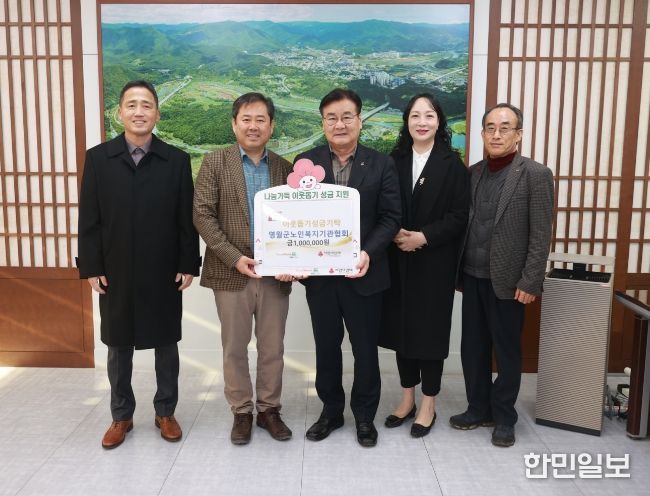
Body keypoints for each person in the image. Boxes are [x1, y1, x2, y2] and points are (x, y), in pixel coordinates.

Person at [77, 80, 201, 449]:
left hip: (163, 267)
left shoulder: (176, 160)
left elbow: (186, 219)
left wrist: (188, 263)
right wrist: (91, 266)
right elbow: (89, 219)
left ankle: (166, 411)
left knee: (166, 340)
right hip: (115, 267)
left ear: (157, 114)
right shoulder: (98, 159)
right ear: (120, 113)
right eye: (131, 104)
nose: (139, 111)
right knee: (118, 343)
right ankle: (121, 415)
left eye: (146, 105)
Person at [295, 88, 401, 447]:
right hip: (321, 279)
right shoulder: (305, 162)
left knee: (365, 350)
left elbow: (391, 217)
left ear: (359, 120)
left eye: (347, 117)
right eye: (331, 118)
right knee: (326, 347)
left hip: (364, 275)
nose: (339, 124)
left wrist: (368, 252)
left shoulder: (381, 163)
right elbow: (296, 218)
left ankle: (365, 415)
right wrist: (296, 257)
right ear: (323, 123)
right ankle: (331, 411)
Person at [193, 92, 294, 445]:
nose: (253, 126)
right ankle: (241, 411)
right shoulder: (214, 162)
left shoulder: (285, 168)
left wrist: (291, 261)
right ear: (234, 124)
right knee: (234, 347)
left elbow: (294, 221)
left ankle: (269, 409)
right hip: (230, 271)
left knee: (272, 347)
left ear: (271, 126)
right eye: (246, 119)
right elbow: (202, 215)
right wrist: (234, 257)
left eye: (260, 119)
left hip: (275, 274)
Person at [450, 103, 554, 447]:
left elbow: (541, 234)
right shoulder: (473, 172)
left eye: (505, 128)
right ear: (482, 134)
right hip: (472, 275)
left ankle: (504, 417)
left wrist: (530, 280)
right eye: (490, 128)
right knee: (473, 348)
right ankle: (477, 408)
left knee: (507, 352)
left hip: (510, 281)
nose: (496, 134)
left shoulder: (536, 174)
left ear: (518, 134)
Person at [379, 93, 469, 438]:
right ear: (407, 121)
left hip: (435, 262)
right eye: (415, 115)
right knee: (403, 330)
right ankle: (406, 399)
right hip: (398, 258)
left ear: (439, 121)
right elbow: (382, 204)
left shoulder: (452, 164)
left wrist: (424, 236)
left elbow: (460, 215)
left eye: (429, 115)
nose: (422, 122)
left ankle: (428, 403)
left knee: (430, 333)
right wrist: (394, 232)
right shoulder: (395, 160)